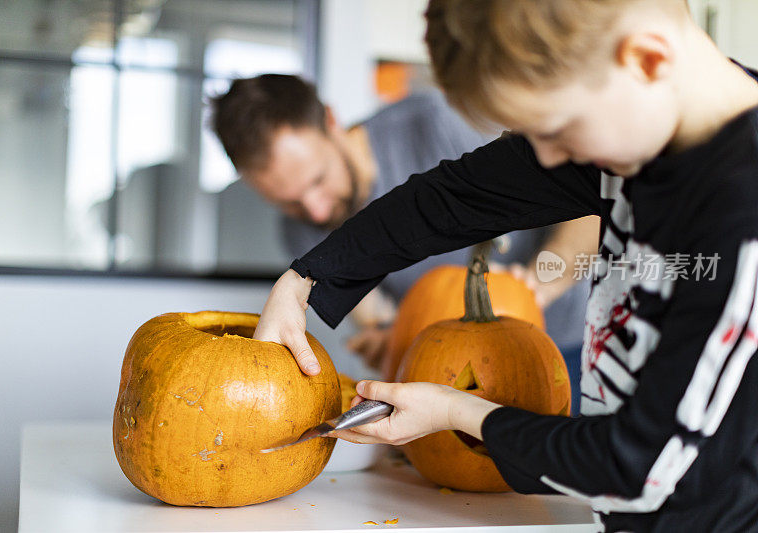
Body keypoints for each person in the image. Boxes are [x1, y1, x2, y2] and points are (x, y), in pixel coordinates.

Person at [253, 0, 758, 530]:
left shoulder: (740, 211)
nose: (546, 160)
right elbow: (459, 196)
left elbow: (643, 468)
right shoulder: (639, 119)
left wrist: (456, 412)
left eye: (555, 129)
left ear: (648, 60)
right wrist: (306, 280)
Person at [210, 75, 597, 406]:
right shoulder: (299, 231)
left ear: (331, 122)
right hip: (446, 376)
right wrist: (386, 340)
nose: (314, 211)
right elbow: (378, 320)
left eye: (318, 180)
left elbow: (584, 194)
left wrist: (537, 286)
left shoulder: (435, 120)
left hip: (565, 343)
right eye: (289, 202)